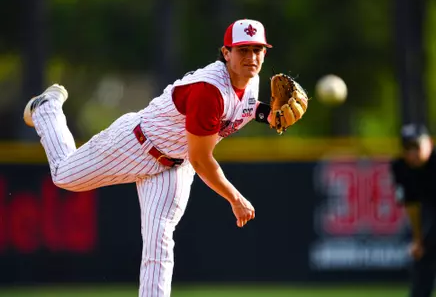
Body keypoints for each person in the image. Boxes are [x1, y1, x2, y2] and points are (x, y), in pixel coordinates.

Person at [23, 19, 305, 297]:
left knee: (159, 243)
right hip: (137, 144)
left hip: (174, 166)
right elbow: (202, 159)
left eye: (257, 50)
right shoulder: (209, 91)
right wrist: (235, 198)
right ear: (226, 53)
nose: (251, 57)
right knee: (63, 175)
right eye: (243, 50)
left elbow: (245, 108)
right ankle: (46, 108)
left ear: (265, 53)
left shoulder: (252, 83)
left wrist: (269, 115)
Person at [390, 123, 436, 297]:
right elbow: (412, 204)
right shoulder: (401, 167)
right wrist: (418, 240)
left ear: (429, 143)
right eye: (407, 147)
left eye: (416, 146)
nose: (412, 153)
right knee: (423, 260)